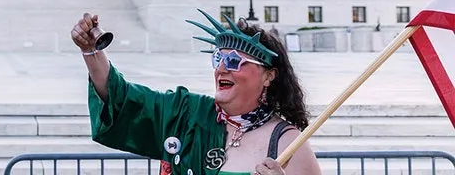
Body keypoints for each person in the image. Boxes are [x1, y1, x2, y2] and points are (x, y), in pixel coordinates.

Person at [71, 10, 321, 175]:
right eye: (218, 59)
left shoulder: (289, 143)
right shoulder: (185, 115)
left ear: (269, 76)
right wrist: (91, 51)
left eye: (234, 61)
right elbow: (123, 100)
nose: (222, 68)